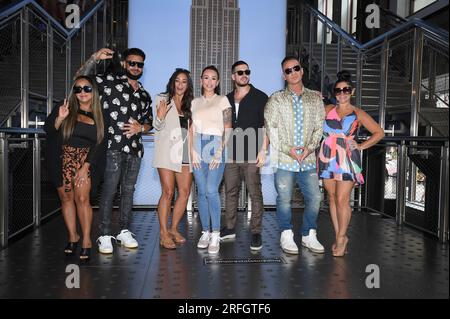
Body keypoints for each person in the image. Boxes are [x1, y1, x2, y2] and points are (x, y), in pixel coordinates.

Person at [75, 47, 152, 254]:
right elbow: (81, 80)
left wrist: (140, 128)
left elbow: (149, 122)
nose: (136, 67)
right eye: (132, 63)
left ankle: (124, 231)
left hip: (135, 150)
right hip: (112, 148)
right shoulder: (109, 82)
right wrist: (93, 58)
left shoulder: (144, 94)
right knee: (109, 190)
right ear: (125, 64)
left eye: (140, 64)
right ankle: (105, 234)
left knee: (128, 191)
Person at [318, 70, 384, 256]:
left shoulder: (358, 113)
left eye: (346, 89)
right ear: (334, 93)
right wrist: (315, 97)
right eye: (338, 90)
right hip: (327, 157)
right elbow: (310, 114)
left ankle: (341, 238)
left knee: (342, 199)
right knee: (331, 198)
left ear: (352, 91)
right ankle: (340, 235)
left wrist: (361, 146)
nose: (342, 93)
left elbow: (379, 132)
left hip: (347, 158)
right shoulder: (328, 109)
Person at [264, 56, 325, 255]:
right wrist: (287, 148)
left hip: (307, 160)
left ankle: (308, 234)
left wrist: (310, 147)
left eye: (295, 68)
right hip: (284, 159)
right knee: (283, 199)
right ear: (283, 75)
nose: (293, 73)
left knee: (315, 197)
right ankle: (286, 234)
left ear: (302, 70)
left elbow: (319, 126)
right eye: (288, 70)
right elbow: (270, 128)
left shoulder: (315, 98)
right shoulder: (276, 98)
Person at [44, 75, 105, 261]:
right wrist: (60, 118)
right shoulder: (65, 108)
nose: (82, 92)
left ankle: (86, 239)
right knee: (66, 197)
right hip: (61, 158)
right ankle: (73, 236)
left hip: (85, 161)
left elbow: (101, 143)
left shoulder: (100, 114)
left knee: (82, 198)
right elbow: (49, 130)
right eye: (78, 89)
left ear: (93, 90)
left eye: (86, 88)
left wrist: (85, 166)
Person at [220, 60, 269, 251]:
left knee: (254, 192)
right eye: (239, 72)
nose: (244, 74)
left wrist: (263, 151)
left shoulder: (260, 97)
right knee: (230, 191)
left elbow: (266, 127)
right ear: (233, 76)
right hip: (231, 153)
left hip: (252, 153)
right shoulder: (226, 99)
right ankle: (230, 227)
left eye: (247, 71)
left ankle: (256, 232)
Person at [191, 65, 232, 255]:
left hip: (216, 146)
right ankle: (205, 232)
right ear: (201, 80)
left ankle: (216, 233)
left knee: (210, 190)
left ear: (218, 82)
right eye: (206, 78)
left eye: (213, 78)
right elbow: (191, 129)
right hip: (197, 147)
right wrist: (192, 150)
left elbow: (228, 128)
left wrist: (219, 152)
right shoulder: (194, 102)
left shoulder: (223, 100)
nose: (209, 82)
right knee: (201, 192)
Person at [153, 68, 194, 250]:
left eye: (184, 81)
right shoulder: (162, 98)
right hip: (167, 153)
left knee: (184, 193)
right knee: (168, 192)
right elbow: (156, 125)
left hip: (185, 153)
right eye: (177, 81)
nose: (180, 85)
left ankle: (174, 229)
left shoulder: (191, 103)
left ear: (188, 84)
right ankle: (163, 233)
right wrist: (160, 116)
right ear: (172, 82)